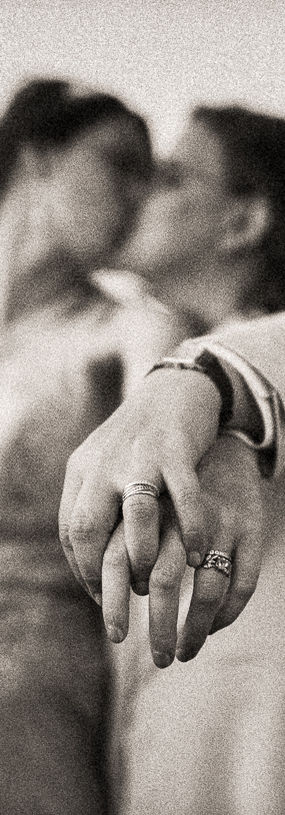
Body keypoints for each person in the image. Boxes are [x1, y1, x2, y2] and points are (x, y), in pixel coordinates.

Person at [59, 106, 285, 814]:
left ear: (242, 222)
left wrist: (203, 379)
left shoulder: (240, 364)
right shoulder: (117, 364)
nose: (137, 192)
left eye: (170, 176)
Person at [0, 78, 187, 815]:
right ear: (40, 155)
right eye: (118, 163)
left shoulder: (137, 332)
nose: (138, 195)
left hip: (32, 681)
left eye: (153, 177)